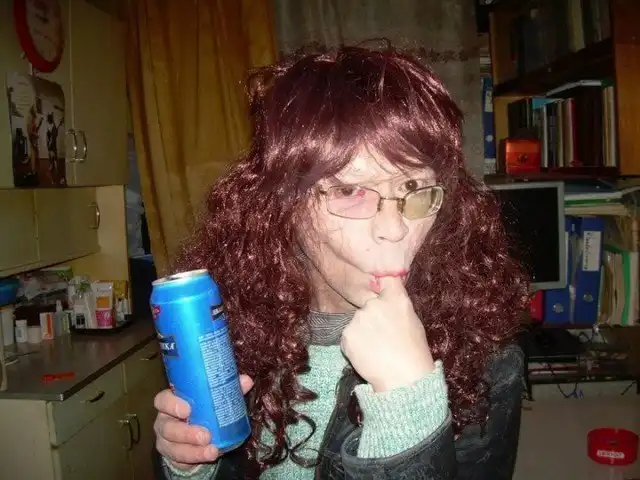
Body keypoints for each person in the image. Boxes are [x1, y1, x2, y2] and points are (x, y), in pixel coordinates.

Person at [153, 43, 529, 479]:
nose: (395, 229)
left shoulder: (485, 359)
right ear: (284, 204)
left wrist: (409, 405)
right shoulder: (229, 330)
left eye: (414, 188)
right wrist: (188, 466)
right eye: (350, 191)